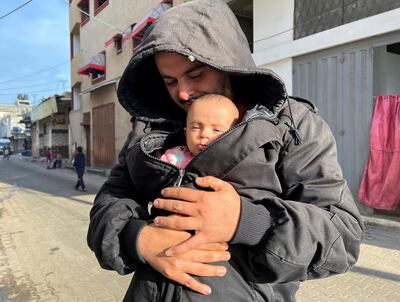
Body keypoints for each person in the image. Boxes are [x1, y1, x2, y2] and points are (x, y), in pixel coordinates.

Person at [87, 0, 364, 301]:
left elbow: (342, 239)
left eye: (195, 75)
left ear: (227, 64)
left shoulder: (292, 125)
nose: (182, 92)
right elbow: (109, 201)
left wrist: (246, 221)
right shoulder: (152, 131)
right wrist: (137, 239)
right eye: (170, 81)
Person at [160, 94, 239, 169]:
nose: (204, 134)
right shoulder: (174, 157)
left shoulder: (234, 164)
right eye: (196, 127)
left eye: (216, 130)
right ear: (186, 133)